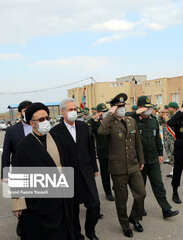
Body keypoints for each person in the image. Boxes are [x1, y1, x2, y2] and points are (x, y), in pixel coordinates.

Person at [12, 102, 75, 240]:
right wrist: (18, 204)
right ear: (32, 123)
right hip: (38, 202)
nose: (46, 122)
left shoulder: (57, 139)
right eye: (41, 120)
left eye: (47, 118)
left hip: (60, 198)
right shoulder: (24, 145)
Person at [51, 98, 100, 240]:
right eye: (70, 109)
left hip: (86, 172)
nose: (74, 112)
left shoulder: (84, 127)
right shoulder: (55, 132)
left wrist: (94, 167)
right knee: (73, 209)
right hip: (69, 174)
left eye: (75, 109)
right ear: (62, 112)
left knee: (94, 204)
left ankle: (90, 231)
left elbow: (91, 148)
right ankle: (77, 235)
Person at [98, 93, 146, 238]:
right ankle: (125, 225)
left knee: (141, 194)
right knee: (121, 200)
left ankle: (135, 218)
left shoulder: (131, 121)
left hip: (133, 165)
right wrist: (110, 115)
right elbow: (100, 131)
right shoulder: (110, 123)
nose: (122, 109)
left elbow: (137, 142)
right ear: (113, 108)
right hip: (118, 168)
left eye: (123, 106)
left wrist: (141, 160)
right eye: (118, 106)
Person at [126, 96, 179, 219]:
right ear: (139, 108)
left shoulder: (153, 120)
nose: (149, 110)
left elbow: (157, 139)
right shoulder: (133, 120)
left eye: (150, 107)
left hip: (153, 159)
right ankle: (140, 208)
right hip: (140, 160)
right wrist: (135, 113)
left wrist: (160, 153)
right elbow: (124, 117)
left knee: (159, 185)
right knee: (140, 188)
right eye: (146, 107)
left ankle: (166, 210)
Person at [1, 100, 32, 237]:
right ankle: (23, 225)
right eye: (26, 110)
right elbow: (6, 154)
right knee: (21, 204)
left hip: (41, 172)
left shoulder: (40, 128)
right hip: (20, 172)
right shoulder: (12, 131)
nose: (29, 112)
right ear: (20, 113)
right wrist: (5, 173)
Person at [88, 103, 115, 201]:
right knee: (105, 174)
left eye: (105, 111)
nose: (104, 113)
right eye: (102, 112)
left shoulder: (111, 121)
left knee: (116, 172)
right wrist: (94, 117)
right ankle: (108, 192)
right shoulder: (95, 124)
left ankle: (115, 187)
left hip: (113, 151)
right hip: (103, 153)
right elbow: (88, 124)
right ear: (98, 113)